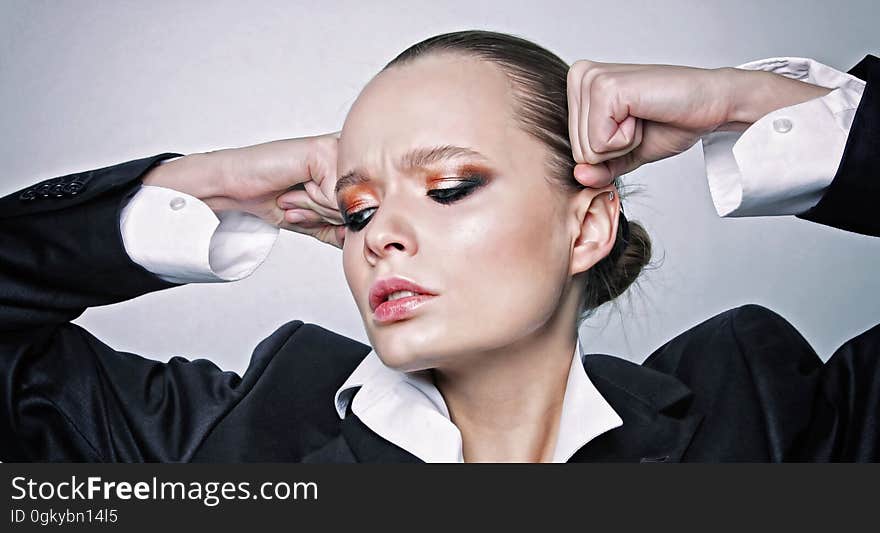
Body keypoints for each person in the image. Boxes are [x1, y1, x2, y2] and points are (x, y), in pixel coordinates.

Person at [0, 30, 876, 462]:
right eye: (356, 209)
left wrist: (752, 102)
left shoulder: (764, 413)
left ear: (587, 225)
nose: (380, 233)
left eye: (449, 186)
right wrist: (212, 186)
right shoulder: (226, 440)